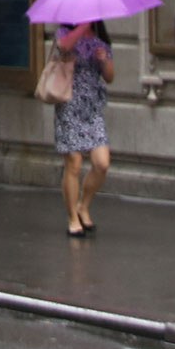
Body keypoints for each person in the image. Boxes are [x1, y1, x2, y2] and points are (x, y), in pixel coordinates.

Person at [53, 19, 113, 236]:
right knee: (74, 163)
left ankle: (83, 206)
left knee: (102, 163)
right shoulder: (64, 33)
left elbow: (110, 77)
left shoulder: (100, 40)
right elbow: (63, 47)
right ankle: (72, 219)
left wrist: (104, 60)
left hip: (93, 108)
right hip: (69, 104)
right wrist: (81, 28)